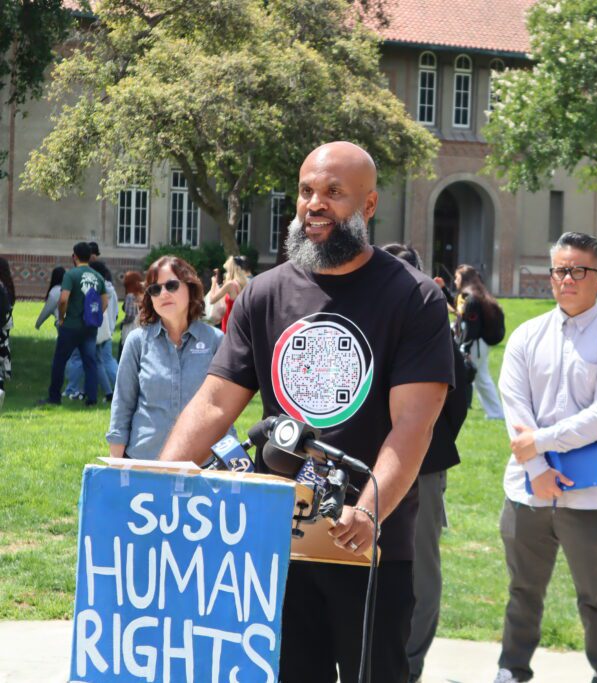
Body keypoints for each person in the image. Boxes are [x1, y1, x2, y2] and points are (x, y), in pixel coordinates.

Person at [157, 141, 453, 683]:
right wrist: (157, 480)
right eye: (306, 191)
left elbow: (414, 423)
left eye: (334, 193)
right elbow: (216, 401)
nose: (314, 204)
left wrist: (367, 512)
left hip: (366, 541)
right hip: (277, 537)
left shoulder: (413, 299)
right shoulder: (264, 295)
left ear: (368, 205)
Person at [494, 231, 597, 683]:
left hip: (590, 498)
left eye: (579, 270)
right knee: (523, 590)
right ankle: (511, 670)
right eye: (560, 269)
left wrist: (540, 443)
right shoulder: (526, 336)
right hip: (527, 491)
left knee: (596, 595)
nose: (568, 279)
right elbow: (513, 404)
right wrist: (536, 468)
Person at [381, 242, 469, 683]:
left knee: (419, 566)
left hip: (424, 469)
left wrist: (431, 448)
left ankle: (410, 663)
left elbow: (458, 395)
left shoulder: (430, 323)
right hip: (364, 468)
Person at [106, 257, 227, 459]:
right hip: (143, 463)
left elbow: (224, 409)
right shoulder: (137, 341)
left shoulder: (216, 341)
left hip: (201, 467)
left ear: (190, 288)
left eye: (171, 285)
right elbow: (122, 405)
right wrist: (116, 467)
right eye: (155, 289)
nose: (163, 294)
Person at [39, 242, 108, 406]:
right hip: (89, 327)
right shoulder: (98, 277)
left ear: (74, 256)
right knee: (90, 363)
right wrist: (94, 316)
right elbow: (104, 302)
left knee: (60, 361)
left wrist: (62, 317)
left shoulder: (71, 275)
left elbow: (63, 299)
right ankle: (91, 399)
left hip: (70, 326)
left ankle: (54, 397)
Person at [454, 264, 504, 419]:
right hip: (479, 343)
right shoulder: (474, 295)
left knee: (477, 378)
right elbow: (459, 312)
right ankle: (496, 413)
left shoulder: (471, 298)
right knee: (482, 378)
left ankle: (495, 413)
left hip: (475, 344)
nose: (455, 281)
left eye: (457, 278)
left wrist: (465, 348)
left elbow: (471, 326)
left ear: (463, 278)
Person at [63, 261, 118, 401]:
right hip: (104, 328)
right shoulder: (108, 288)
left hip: (91, 328)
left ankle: (82, 391)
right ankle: (105, 392)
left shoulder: (95, 287)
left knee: (89, 361)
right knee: (99, 361)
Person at [207, 254, 249, 333]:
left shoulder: (230, 285)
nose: (226, 273)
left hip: (228, 324)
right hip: (239, 323)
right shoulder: (244, 283)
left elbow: (212, 300)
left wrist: (213, 282)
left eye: (227, 270)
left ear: (231, 269)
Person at [120, 271, 144, 357]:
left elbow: (130, 315)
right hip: (141, 327)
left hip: (131, 328)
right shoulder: (143, 295)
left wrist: (123, 323)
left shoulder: (130, 296)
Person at [34, 267, 66, 331]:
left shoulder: (55, 291)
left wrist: (38, 324)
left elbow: (47, 310)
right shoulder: (69, 289)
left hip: (63, 324)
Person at [0, 257, 14, 401]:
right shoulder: (6, 285)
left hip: (2, 322)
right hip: (5, 322)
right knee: (3, 348)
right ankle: (6, 373)